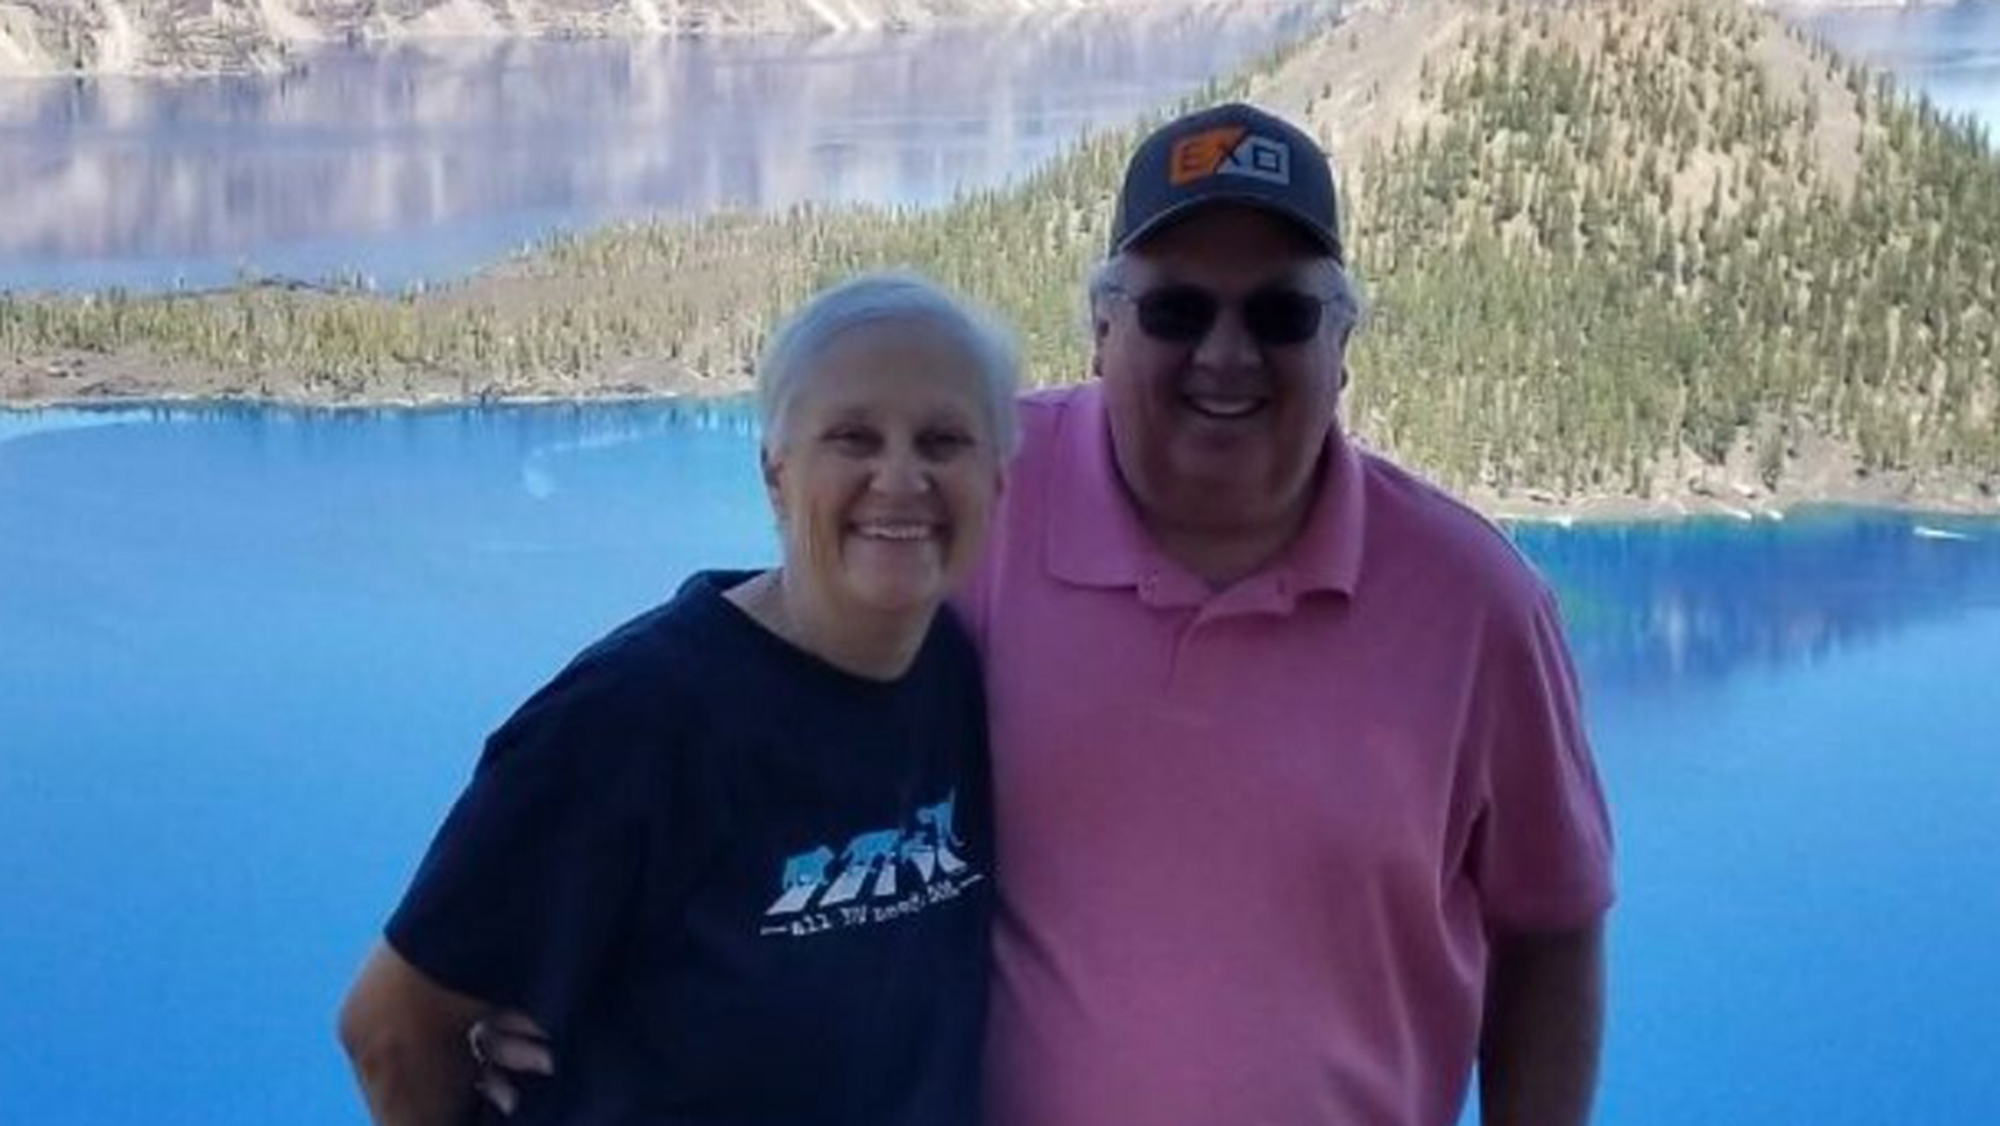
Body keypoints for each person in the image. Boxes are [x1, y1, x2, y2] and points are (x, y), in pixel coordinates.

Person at [475, 102, 1615, 1126]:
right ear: (1101, 329)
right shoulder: (975, 498)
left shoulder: (1474, 604)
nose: (1225, 355)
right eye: (1173, 310)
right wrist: (572, 970)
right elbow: (757, 699)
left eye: (1278, 313)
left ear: (1342, 343)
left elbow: (1551, 922)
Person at [336, 272, 1019, 1125]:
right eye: (852, 437)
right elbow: (390, 1029)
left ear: (998, 479)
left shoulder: (955, 673)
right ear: (776, 474)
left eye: (943, 440)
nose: (900, 478)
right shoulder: (630, 719)